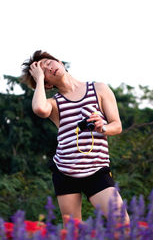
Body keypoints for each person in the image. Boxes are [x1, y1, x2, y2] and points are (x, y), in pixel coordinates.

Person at [20, 50, 130, 225]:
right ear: (47, 84)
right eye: (44, 71)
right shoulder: (54, 104)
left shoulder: (99, 89)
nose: (50, 68)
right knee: (73, 232)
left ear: (60, 62)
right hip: (65, 171)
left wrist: (102, 128)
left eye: (50, 63)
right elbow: (39, 109)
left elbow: (117, 125)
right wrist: (38, 78)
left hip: (96, 169)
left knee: (122, 224)